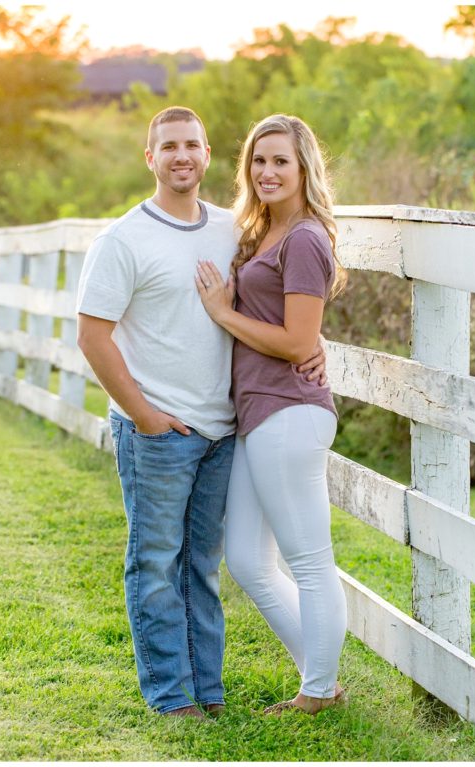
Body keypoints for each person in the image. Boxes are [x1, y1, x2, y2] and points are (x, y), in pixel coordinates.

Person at [76, 106, 325, 718]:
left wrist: (313, 345)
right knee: (155, 566)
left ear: (209, 154)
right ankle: (169, 695)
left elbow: (281, 300)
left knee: (203, 569)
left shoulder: (231, 229)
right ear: (150, 157)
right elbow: (93, 337)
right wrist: (145, 415)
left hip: (224, 429)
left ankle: (207, 693)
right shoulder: (122, 239)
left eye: (192, 144)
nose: (181, 156)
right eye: (168, 146)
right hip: (159, 431)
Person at [195, 114, 348, 715]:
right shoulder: (262, 234)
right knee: (248, 559)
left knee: (308, 558)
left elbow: (296, 341)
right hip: (259, 414)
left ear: (304, 167)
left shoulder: (305, 237)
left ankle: (316, 692)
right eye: (259, 161)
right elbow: (300, 334)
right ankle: (320, 676)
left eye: (281, 160)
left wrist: (222, 313)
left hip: (290, 413)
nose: (267, 172)